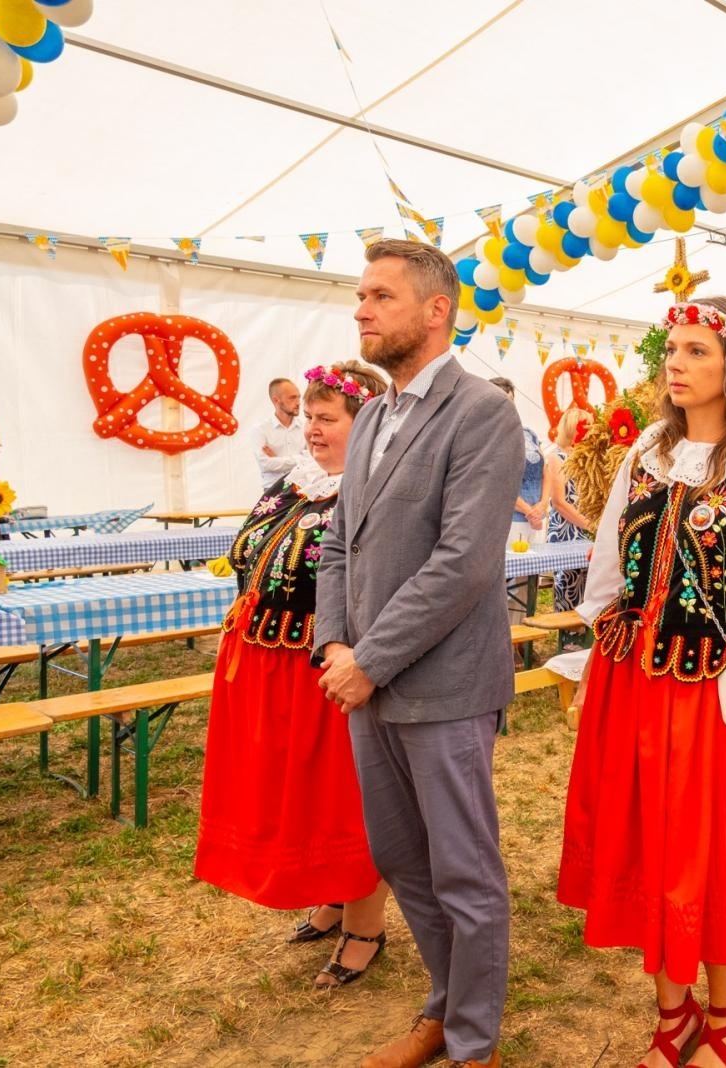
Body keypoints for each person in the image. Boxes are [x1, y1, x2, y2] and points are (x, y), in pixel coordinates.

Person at [558, 297, 726, 1068]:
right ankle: (671, 1010)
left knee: (704, 856)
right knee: (646, 845)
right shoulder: (646, 450)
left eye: (695, 352)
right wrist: (590, 673)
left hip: (709, 693)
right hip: (631, 682)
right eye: (671, 350)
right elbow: (611, 574)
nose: (674, 364)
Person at [314, 239, 522, 1068]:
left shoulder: (481, 412)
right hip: (367, 683)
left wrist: (370, 659)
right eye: (360, 295)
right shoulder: (372, 418)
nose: (361, 309)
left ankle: (475, 1044)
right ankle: (442, 1006)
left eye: (380, 296)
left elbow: (465, 562)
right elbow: (339, 546)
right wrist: (336, 642)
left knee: (465, 872)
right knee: (403, 858)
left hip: (442, 687)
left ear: (436, 311)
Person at [196, 360, 392, 989]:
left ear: (364, 425)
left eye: (326, 419)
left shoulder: (375, 490)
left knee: (343, 799)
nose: (311, 429)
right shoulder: (295, 483)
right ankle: (330, 898)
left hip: (322, 670)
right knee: (298, 799)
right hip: (264, 667)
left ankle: (366, 924)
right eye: (308, 416)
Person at [493, 377, 547, 628]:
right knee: (504, 583)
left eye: (511, 401)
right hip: (507, 519)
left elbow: (545, 471)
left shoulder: (528, 434)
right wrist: (527, 510)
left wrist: (542, 505)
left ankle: (522, 633)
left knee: (527, 583)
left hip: (533, 519)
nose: (508, 406)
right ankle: (504, 636)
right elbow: (497, 482)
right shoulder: (488, 437)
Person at [543, 406, 594, 640]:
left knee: (588, 580)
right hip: (566, 529)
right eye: (585, 426)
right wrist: (587, 524)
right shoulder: (556, 456)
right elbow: (560, 501)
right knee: (568, 582)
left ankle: (585, 634)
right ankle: (568, 638)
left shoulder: (585, 457)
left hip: (585, 526)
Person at [256, 377, 306, 485]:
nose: (298, 403)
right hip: (272, 490)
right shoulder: (260, 429)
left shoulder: (305, 427)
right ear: (276, 400)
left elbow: (312, 461)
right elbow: (265, 464)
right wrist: (300, 459)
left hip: (301, 489)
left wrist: (277, 459)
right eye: (292, 398)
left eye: (298, 397)